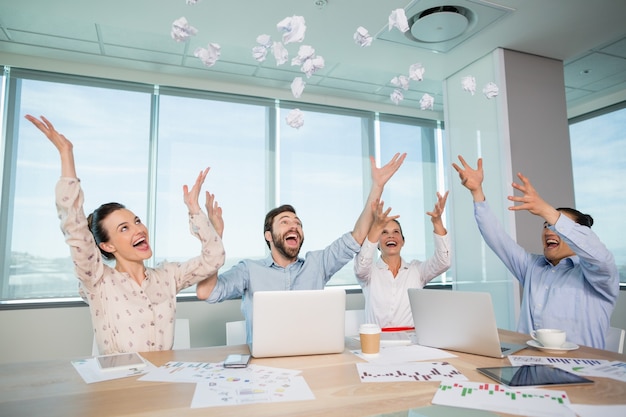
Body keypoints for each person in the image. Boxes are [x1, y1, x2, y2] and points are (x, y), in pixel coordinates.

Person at [25, 115, 226, 355]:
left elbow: (214, 258)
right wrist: (66, 153)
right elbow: (75, 225)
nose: (139, 229)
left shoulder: (168, 276)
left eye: (137, 221)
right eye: (124, 228)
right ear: (107, 246)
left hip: (162, 383)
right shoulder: (98, 281)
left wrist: (194, 208)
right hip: (118, 385)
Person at [196, 153, 407, 343]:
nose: (294, 226)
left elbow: (358, 236)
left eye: (298, 223)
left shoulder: (318, 264)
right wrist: (214, 238)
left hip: (312, 360)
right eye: (285, 222)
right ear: (268, 236)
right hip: (264, 367)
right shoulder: (248, 270)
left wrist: (377, 186)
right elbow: (206, 292)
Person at [452, 155, 619, 349]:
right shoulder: (533, 267)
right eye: (546, 225)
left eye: (556, 226)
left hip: (583, 370)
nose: (549, 229)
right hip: (528, 365)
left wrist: (547, 211)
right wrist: (477, 192)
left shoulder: (599, 274)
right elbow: (497, 238)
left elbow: (598, 254)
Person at [354, 192, 451, 328]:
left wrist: (437, 222)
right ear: (377, 243)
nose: (391, 236)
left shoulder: (417, 270)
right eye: (384, 232)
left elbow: (444, 261)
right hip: (377, 342)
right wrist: (376, 227)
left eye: (396, 232)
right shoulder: (369, 273)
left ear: (403, 241)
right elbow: (362, 264)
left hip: (410, 341)